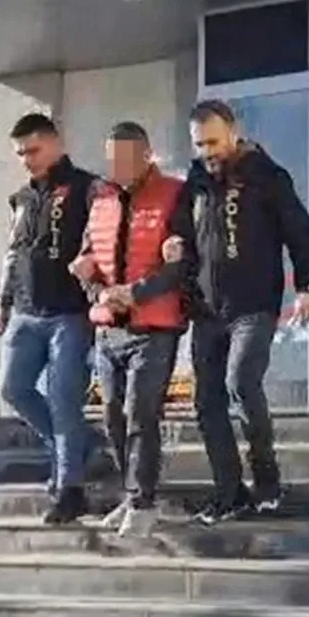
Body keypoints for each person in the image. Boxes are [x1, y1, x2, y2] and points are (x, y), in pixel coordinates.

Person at [182, 99, 309, 526]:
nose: (207, 152)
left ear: (233, 132)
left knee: (241, 382)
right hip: (206, 309)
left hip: (254, 304)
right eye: (199, 145)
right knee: (207, 402)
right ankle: (229, 492)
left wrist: (307, 285)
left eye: (213, 142)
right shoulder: (195, 184)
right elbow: (181, 237)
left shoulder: (266, 176)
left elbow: (300, 232)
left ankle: (267, 480)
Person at [69, 121, 193, 538]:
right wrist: (99, 292)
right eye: (112, 160)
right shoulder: (101, 200)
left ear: (146, 155)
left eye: (126, 159)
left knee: (141, 412)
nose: (118, 168)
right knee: (112, 415)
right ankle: (131, 494)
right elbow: (87, 260)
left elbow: (179, 264)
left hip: (154, 328)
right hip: (109, 330)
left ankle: (143, 502)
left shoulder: (173, 194)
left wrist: (134, 294)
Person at [0, 113, 100, 525]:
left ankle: (71, 489)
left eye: (34, 150)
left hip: (69, 312)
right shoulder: (21, 199)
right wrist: (3, 302)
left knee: (63, 398)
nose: (27, 160)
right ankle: (76, 446)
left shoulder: (87, 188)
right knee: (13, 387)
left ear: (56, 143)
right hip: (26, 311)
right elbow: (13, 252)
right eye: (21, 153)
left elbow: (103, 241)